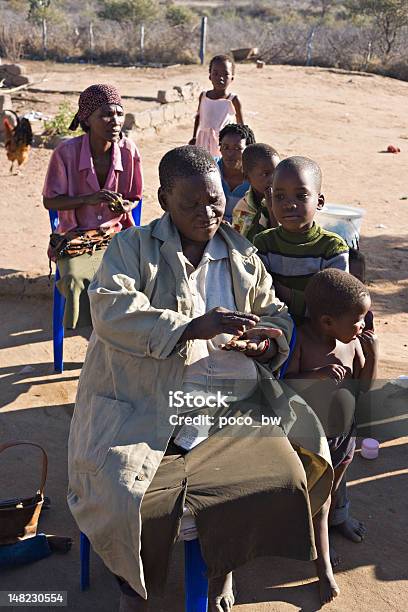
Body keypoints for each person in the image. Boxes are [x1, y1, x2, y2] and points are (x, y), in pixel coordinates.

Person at [67, 146, 333, 611]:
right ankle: (135, 588)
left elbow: (273, 313)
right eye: (190, 204)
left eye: (214, 201)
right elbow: (110, 308)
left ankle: (220, 572)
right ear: (163, 199)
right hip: (142, 406)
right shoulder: (132, 249)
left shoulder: (242, 254)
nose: (207, 214)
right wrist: (191, 327)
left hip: (227, 410)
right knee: (130, 499)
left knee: (285, 476)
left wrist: (266, 341)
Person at [284, 268, 378, 603]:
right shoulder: (302, 341)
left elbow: (362, 387)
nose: (363, 327)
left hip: (344, 435)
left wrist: (373, 350)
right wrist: (317, 375)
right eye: (358, 320)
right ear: (326, 321)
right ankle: (322, 564)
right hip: (313, 441)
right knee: (318, 500)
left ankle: (329, 525)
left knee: (333, 489)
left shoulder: (351, 343)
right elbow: (285, 385)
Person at [43, 84, 143, 329]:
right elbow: (50, 201)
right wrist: (87, 199)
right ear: (87, 119)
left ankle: (121, 332)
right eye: (106, 115)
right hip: (75, 237)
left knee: (139, 276)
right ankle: (96, 332)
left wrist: (123, 206)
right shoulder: (65, 153)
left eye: (119, 113)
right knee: (75, 279)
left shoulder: (129, 150)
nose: (115, 121)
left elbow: (135, 196)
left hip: (116, 235)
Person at [253, 156, 349, 324]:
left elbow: (334, 304)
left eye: (301, 195)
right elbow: (259, 297)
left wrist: (285, 293)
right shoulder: (263, 243)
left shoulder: (332, 248)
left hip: (318, 333)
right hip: (274, 328)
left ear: (319, 202)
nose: (289, 204)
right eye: (280, 196)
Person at [189, 55, 244, 157]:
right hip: (203, 141)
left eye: (225, 74)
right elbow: (198, 116)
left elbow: (241, 125)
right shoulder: (204, 96)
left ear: (232, 78)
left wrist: (242, 143)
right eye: (216, 73)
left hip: (224, 144)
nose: (221, 78)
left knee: (221, 169)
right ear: (210, 76)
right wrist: (194, 137)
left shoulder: (233, 100)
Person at [232, 143, 280, 242]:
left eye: (276, 173)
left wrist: (272, 209)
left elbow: (283, 238)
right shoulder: (242, 210)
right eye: (265, 174)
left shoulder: (284, 200)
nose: (272, 179)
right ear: (247, 177)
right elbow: (240, 246)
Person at [217, 123, 255, 222]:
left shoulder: (256, 179)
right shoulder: (210, 171)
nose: (230, 154)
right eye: (226, 147)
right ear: (220, 148)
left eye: (238, 148)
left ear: (249, 151)